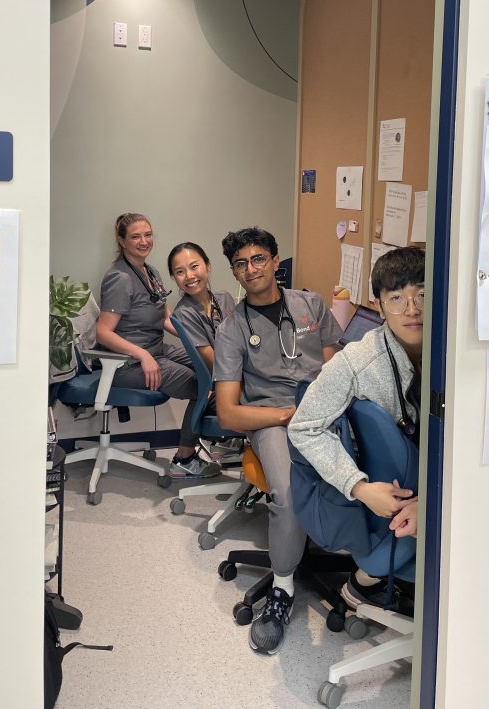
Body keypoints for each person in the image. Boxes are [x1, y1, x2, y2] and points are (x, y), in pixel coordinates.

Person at [214, 226, 342, 654]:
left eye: (258, 259)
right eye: (241, 264)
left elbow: (332, 356)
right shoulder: (232, 329)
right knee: (286, 491)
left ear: (274, 261)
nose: (251, 269)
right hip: (271, 418)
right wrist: (287, 415)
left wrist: (322, 400)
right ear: (235, 271)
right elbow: (229, 412)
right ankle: (283, 588)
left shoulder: (311, 304)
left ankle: (367, 573)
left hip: (321, 409)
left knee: (371, 466)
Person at [288, 246, 424, 610]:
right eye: (397, 298)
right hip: (391, 504)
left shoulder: (457, 352)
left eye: (422, 295)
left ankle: (368, 581)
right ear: (378, 305)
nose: (412, 309)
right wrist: (359, 488)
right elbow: (303, 428)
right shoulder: (358, 362)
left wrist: (430, 503)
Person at [95, 213, 220, 479]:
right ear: (122, 240)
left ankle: (220, 436)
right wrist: (142, 355)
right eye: (135, 236)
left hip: (157, 349)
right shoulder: (120, 278)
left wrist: (200, 337)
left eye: (148, 234)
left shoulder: (149, 271)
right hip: (127, 363)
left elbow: (165, 318)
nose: (144, 241)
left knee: (215, 365)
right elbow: (103, 332)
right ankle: (184, 457)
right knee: (204, 385)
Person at [167, 242, 236, 375]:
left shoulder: (225, 298)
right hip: (224, 378)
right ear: (173, 277)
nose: (189, 276)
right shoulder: (183, 314)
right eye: (180, 272)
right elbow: (213, 361)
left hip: (241, 368)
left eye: (194, 267)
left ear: (208, 266)